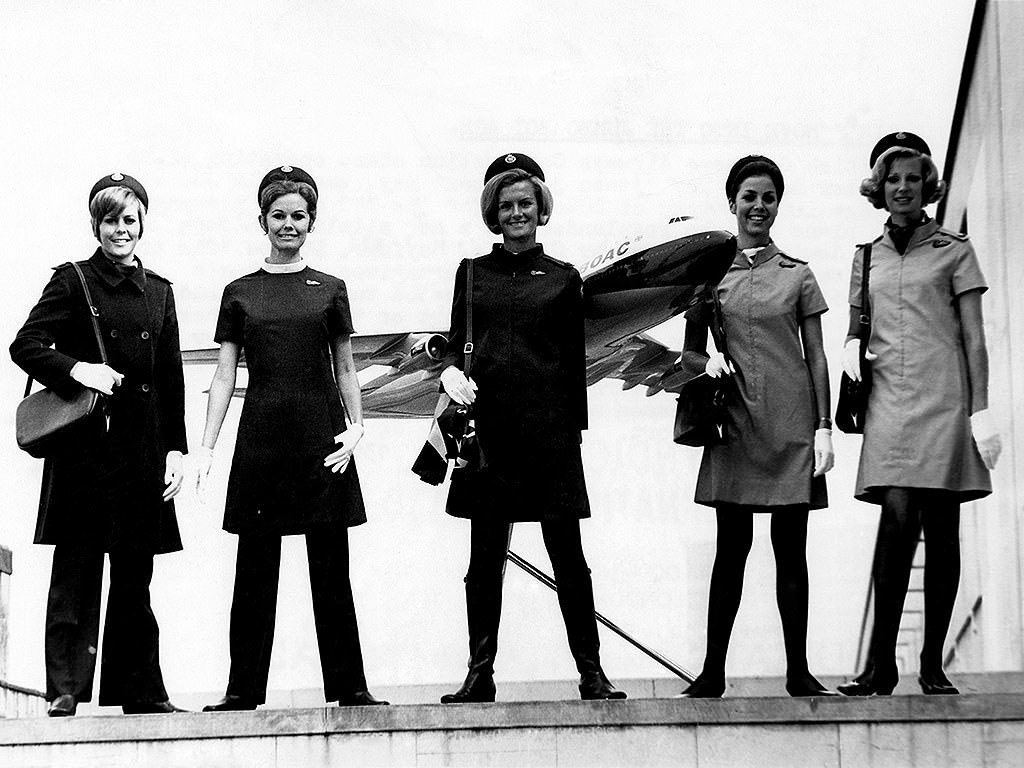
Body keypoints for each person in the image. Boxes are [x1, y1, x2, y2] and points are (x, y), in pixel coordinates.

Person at [196, 166, 387, 711]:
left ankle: (350, 688)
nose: (288, 224)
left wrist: (357, 426)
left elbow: (345, 367)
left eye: (298, 216)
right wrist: (206, 447)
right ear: (262, 220)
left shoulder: (330, 289)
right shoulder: (240, 292)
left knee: (331, 570)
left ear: (312, 221)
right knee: (254, 570)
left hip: (322, 442)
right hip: (261, 442)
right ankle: (241, 690)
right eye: (277, 215)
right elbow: (224, 375)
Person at [438, 152, 626, 703]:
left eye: (525, 203)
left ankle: (592, 672)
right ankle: (479, 674)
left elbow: (574, 366)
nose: (516, 213)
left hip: (550, 438)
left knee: (569, 557)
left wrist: (573, 437)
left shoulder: (565, 278)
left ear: (540, 209)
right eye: (506, 206)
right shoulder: (471, 272)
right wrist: (449, 370)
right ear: (493, 214)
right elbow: (456, 339)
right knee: (483, 560)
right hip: (488, 436)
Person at [10, 173, 187, 716]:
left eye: (129, 219)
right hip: (84, 452)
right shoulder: (73, 281)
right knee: (76, 571)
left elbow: (170, 379)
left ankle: (141, 692)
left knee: (135, 577)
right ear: (97, 225)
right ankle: (65, 689)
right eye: (111, 220)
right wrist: (78, 369)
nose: (120, 230)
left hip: (141, 450)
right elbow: (25, 345)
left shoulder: (160, 291)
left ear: (143, 224)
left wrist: (176, 450)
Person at [837, 133, 1001, 697]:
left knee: (942, 526)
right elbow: (855, 330)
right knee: (897, 519)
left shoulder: (955, 249)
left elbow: (974, 338)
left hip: (945, 400)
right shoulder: (865, 257)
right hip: (888, 402)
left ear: (927, 184)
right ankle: (881, 664)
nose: (902, 187)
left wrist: (981, 412)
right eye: (892, 179)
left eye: (912, 177)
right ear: (878, 188)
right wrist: (848, 355)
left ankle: (932, 663)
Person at [678, 156, 835, 698]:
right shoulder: (709, 277)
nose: (759, 206)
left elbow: (816, 356)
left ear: (778, 204)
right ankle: (711, 673)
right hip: (735, 426)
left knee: (791, 550)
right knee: (731, 549)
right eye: (749, 196)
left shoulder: (798, 274)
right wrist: (706, 364)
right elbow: (690, 355)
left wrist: (825, 427)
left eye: (768, 197)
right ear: (732, 203)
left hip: (792, 427)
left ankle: (799, 672)